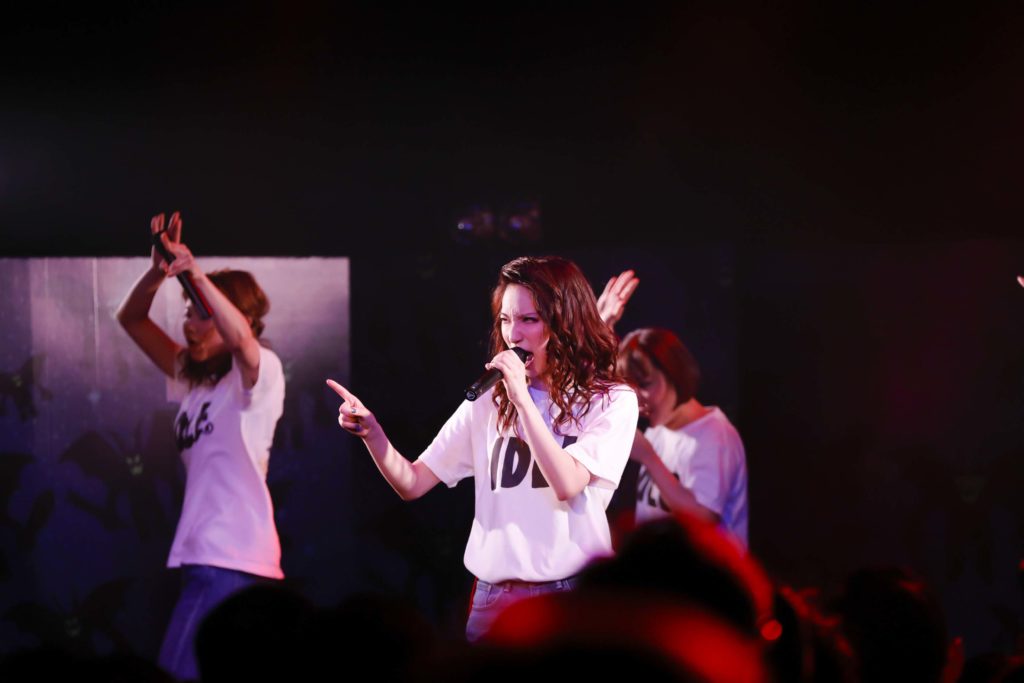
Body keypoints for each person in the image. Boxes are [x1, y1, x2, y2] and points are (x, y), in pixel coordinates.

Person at [327, 255, 638, 641]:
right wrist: (373, 434)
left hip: (570, 595)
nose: (513, 335)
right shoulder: (491, 399)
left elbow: (567, 483)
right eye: (505, 320)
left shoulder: (610, 400)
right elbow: (412, 482)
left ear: (565, 322)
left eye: (529, 319)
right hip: (494, 599)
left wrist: (523, 400)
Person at [116, 212, 285, 680]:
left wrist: (193, 272)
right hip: (213, 557)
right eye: (188, 313)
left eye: (200, 314)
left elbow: (242, 340)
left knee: (178, 673)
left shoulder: (257, 374)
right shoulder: (193, 382)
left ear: (234, 316)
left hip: (227, 555)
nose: (189, 325)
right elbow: (130, 318)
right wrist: (159, 271)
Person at [616, 327, 748, 547]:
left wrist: (649, 457)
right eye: (631, 388)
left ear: (674, 373)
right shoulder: (660, 428)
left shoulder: (715, 434)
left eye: (645, 384)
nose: (638, 398)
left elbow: (702, 519)